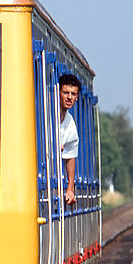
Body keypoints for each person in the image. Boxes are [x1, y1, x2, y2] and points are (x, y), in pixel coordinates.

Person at [57, 73, 80, 206]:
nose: (69, 97)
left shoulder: (70, 123)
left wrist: (70, 189)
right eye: (65, 93)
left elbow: (70, 156)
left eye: (73, 94)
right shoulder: (45, 114)